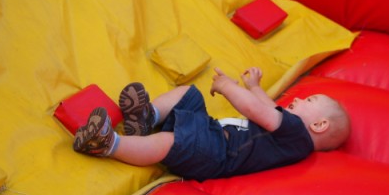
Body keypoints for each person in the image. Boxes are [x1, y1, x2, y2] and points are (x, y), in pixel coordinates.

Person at [73, 67, 350, 180]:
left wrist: (228, 86)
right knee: (189, 95)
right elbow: (270, 108)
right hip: (212, 134)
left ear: (319, 125)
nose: (299, 99)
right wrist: (254, 86)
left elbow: (257, 111)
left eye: (309, 100)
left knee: (170, 143)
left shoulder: (297, 134)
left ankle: (109, 144)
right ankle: (148, 117)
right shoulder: (292, 136)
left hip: (216, 153)